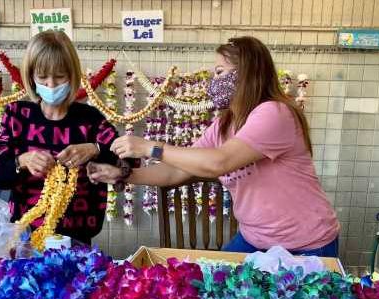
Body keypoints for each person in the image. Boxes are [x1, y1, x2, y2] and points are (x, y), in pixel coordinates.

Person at [88, 36, 340, 256]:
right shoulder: (223, 125)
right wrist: (125, 174)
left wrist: (150, 147)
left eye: (220, 72)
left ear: (246, 74)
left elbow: (219, 163)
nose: (213, 80)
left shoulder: (274, 112)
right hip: (254, 240)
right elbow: (176, 171)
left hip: (305, 245)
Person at [0, 30, 120, 245]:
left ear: (72, 75)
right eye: (43, 77)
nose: (51, 85)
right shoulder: (17, 116)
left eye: (60, 76)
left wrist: (96, 148)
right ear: (31, 76)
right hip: (24, 237)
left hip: (77, 236)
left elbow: (126, 159)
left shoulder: (90, 119)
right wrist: (22, 161)